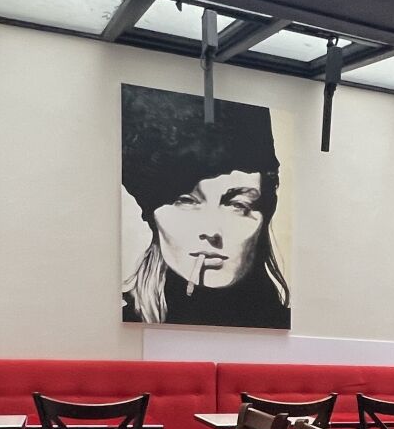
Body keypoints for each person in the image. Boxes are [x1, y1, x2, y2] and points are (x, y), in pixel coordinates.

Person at [120, 86, 291, 328]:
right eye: (186, 201)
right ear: (152, 214)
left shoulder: (282, 325)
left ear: (265, 213)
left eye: (237, 205)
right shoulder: (121, 326)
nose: (211, 232)